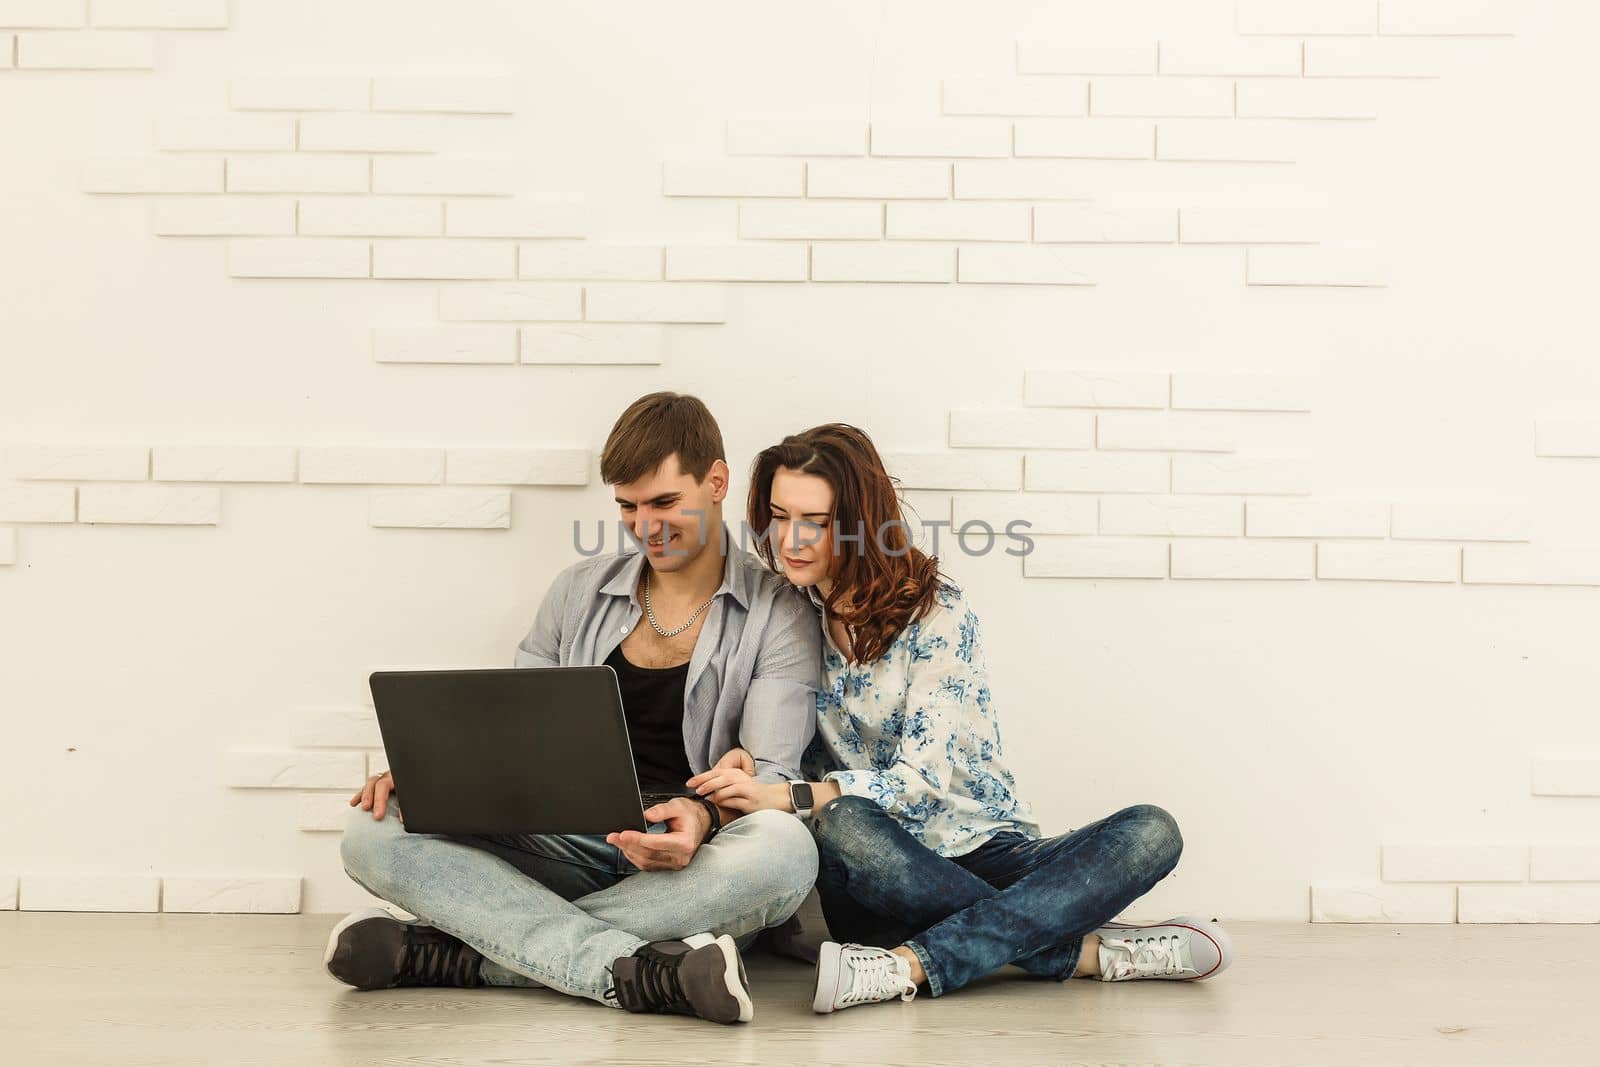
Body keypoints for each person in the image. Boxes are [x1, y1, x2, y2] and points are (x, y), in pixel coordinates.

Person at [689, 423, 1235, 1013]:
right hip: (871, 867)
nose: (790, 539)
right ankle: (1083, 954)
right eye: (777, 515)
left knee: (1152, 830)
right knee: (844, 825)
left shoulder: (937, 613)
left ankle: (910, 963)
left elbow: (921, 788)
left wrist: (789, 796)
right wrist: (750, 755)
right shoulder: (784, 614)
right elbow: (777, 735)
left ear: (858, 524)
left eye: (815, 523)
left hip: (984, 849)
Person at [328, 392, 823, 1025]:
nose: (647, 526)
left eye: (665, 502)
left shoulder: (778, 609)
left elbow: (773, 777)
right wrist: (440, 774)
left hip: (687, 869)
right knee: (370, 828)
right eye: (628, 507)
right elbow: (508, 731)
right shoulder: (578, 591)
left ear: (717, 482)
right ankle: (629, 967)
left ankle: (467, 953)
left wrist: (701, 816)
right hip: (563, 844)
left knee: (784, 851)